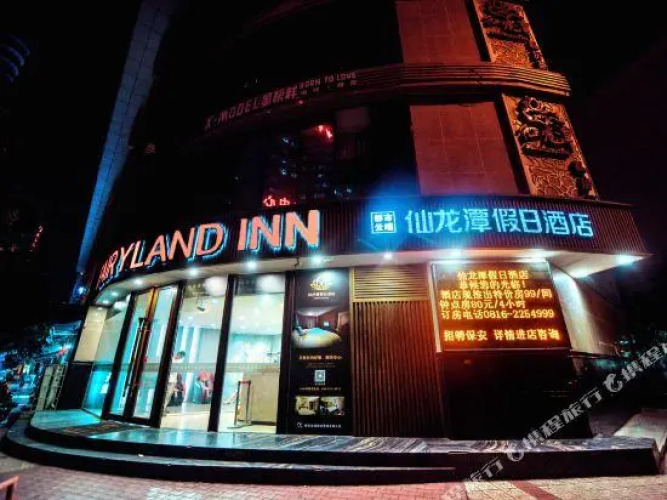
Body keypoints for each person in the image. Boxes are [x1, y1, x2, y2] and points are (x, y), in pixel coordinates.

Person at [163, 351, 186, 415]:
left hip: (173, 380)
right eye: (180, 355)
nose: (180, 357)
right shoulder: (171, 359)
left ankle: (164, 408)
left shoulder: (180, 361)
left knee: (169, 395)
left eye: (181, 357)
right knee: (166, 395)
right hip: (167, 379)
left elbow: (177, 371)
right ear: (177, 354)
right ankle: (162, 409)